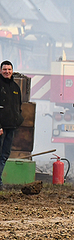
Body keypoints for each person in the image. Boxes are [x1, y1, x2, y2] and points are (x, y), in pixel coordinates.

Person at [0, 61, 24, 189]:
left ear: (12, 71)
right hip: (1, 128)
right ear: (0, 70)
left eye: (9, 69)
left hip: (11, 127)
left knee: (5, 155)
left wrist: (18, 120)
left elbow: (18, 106)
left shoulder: (15, 88)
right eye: (4, 69)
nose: (7, 72)